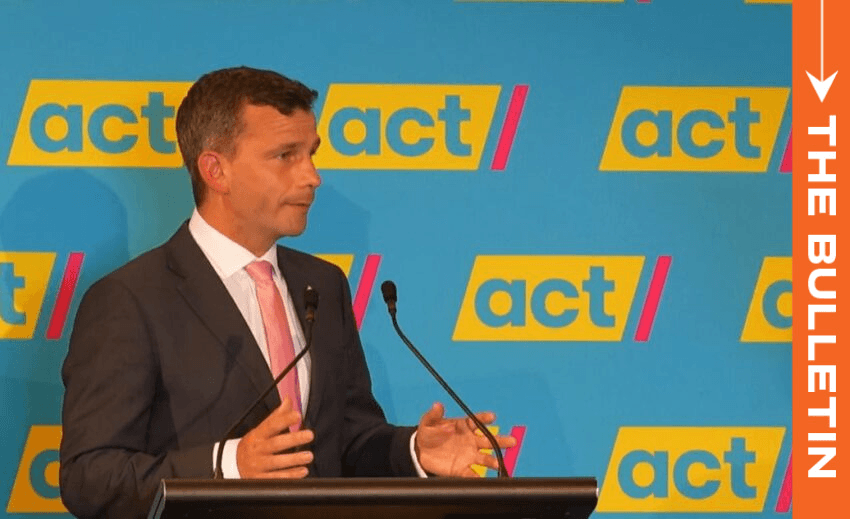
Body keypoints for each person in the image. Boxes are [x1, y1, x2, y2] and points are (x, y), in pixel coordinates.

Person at [59, 66, 515, 518]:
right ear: (216, 170)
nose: (312, 176)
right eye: (285, 156)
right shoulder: (130, 299)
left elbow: (347, 441)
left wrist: (414, 451)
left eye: (312, 153)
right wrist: (228, 464)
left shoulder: (324, 284)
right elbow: (90, 477)